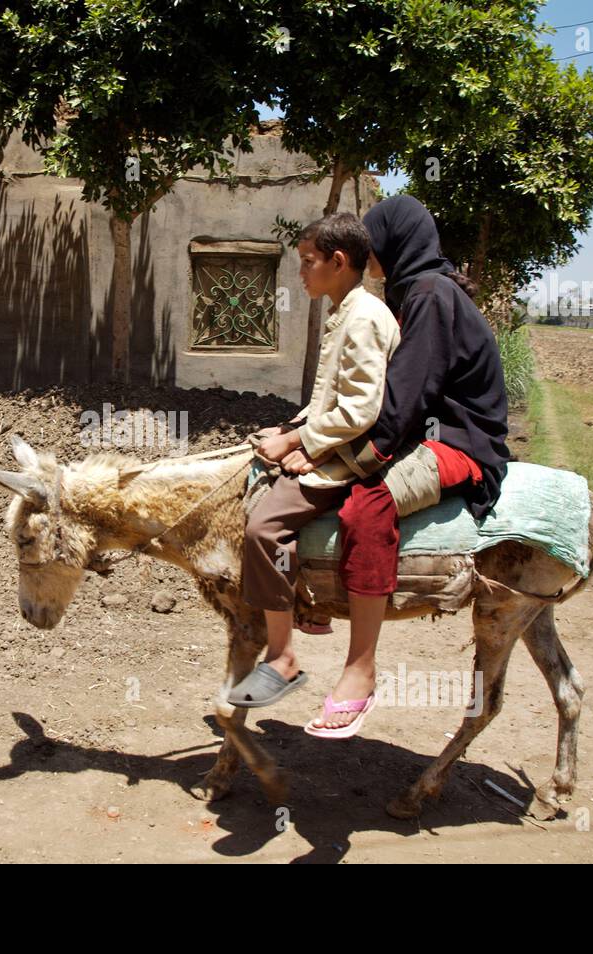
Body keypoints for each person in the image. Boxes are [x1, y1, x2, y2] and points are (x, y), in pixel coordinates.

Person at [306, 194, 512, 737]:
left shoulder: (428, 294)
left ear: (397, 243)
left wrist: (362, 457)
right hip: (430, 427)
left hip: (463, 441)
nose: (369, 255)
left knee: (367, 503)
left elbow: (407, 396)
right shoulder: (414, 291)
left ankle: (361, 670)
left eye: (374, 244)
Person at [228, 212, 399, 711]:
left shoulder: (365, 317)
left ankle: (282, 657)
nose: (300, 274)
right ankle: (306, 606)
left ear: (339, 262)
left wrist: (302, 443)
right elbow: (330, 396)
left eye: (307, 263)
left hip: (346, 456)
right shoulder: (346, 310)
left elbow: (360, 409)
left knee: (262, 527)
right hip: (329, 440)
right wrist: (289, 428)